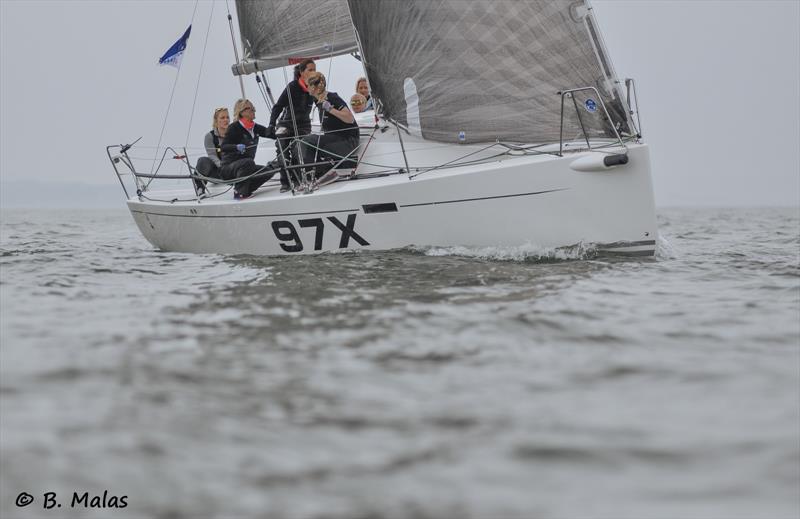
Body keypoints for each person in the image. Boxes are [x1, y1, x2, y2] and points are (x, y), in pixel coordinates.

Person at [301, 71, 360, 187]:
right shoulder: (317, 101)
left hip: (348, 141)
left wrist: (330, 109)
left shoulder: (332, 97)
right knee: (301, 143)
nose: (307, 88)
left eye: (308, 85)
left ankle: (325, 173)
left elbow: (350, 119)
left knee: (307, 141)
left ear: (315, 87)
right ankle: (312, 175)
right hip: (336, 140)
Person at [268, 59, 316, 192]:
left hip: (304, 126)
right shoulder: (293, 87)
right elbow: (278, 107)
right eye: (310, 70)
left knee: (299, 150)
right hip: (286, 124)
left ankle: (298, 179)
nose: (313, 72)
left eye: (314, 69)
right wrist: (271, 124)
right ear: (301, 72)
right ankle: (285, 181)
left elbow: (321, 103)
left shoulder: (314, 87)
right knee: (282, 149)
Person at [219, 99, 275, 200]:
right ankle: (239, 192)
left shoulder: (255, 127)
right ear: (242, 112)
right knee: (248, 162)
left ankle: (246, 190)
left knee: (268, 171)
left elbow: (270, 133)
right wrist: (236, 147)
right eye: (251, 108)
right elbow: (223, 147)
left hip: (246, 167)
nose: (254, 110)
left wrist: (282, 131)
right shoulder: (234, 128)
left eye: (254, 108)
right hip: (229, 169)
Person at [193, 106, 230, 195]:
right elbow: (212, 155)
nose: (226, 120)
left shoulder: (233, 133)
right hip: (218, 171)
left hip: (232, 169)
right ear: (216, 120)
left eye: (227, 117)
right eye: (222, 118)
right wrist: (223, 167)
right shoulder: (209, 137)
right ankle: (200, 189)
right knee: (203, 160)